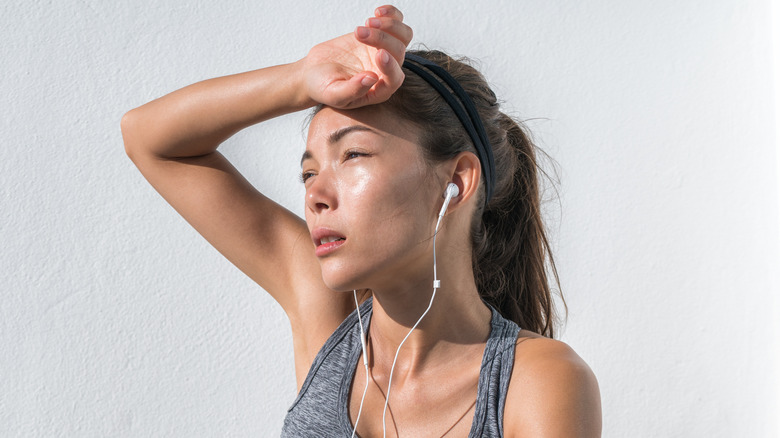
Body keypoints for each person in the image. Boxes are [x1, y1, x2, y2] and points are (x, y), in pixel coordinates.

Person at [121, 5, 601, 437]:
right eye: (308, 172)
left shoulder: (538, 382)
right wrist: (299, 78)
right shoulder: (331, 321)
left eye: (352, 154)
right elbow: (147, 137)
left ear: (455, 181)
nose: (315, 195)